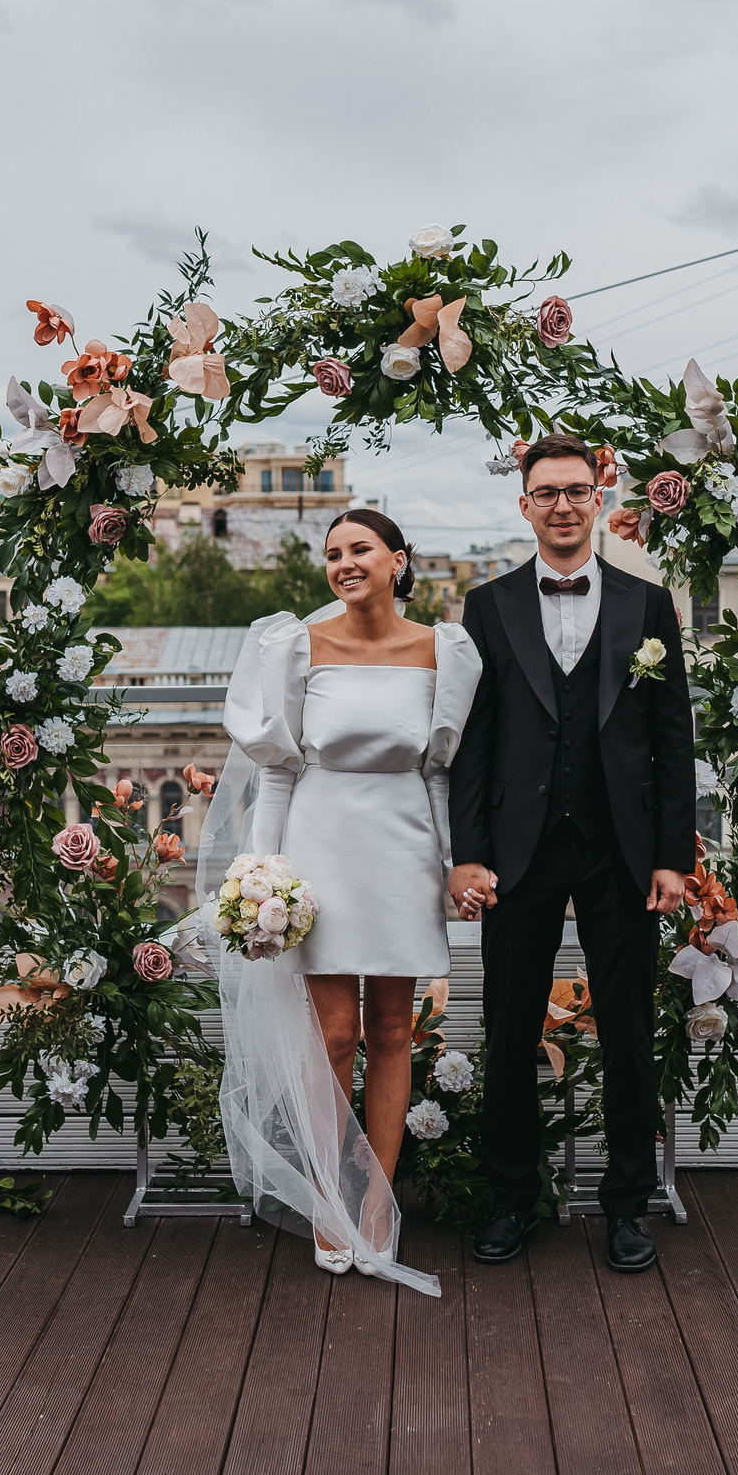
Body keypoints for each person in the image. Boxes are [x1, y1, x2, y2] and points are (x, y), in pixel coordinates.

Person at [211, 508, 479, 1292]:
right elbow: (279, 769)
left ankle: (377, 1208)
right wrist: (265, 871)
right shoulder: (298, 645)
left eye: (359, 548)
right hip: (319, 848)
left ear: (398, 559)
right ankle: (331, 1198)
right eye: (332, 553)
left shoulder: (443, 650)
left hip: (402, 848)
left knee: (394, 1030)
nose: (343, 562)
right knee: (332, 1036)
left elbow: (439, 771)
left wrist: (453, 863)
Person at [447, 432, 694, 1276]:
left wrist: (671, 854)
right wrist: (467, 853)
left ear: (598, 499)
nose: (561, 504)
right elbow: (472, 744)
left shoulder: (646, 604)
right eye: (546, 491)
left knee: (629, 1031)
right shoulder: (487, 607)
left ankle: (628, 1205)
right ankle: (512, 1200)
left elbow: (672, 736)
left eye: (576, 490)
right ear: (524, 504)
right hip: (517, 854)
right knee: (509, 1031)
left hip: (622, 851)